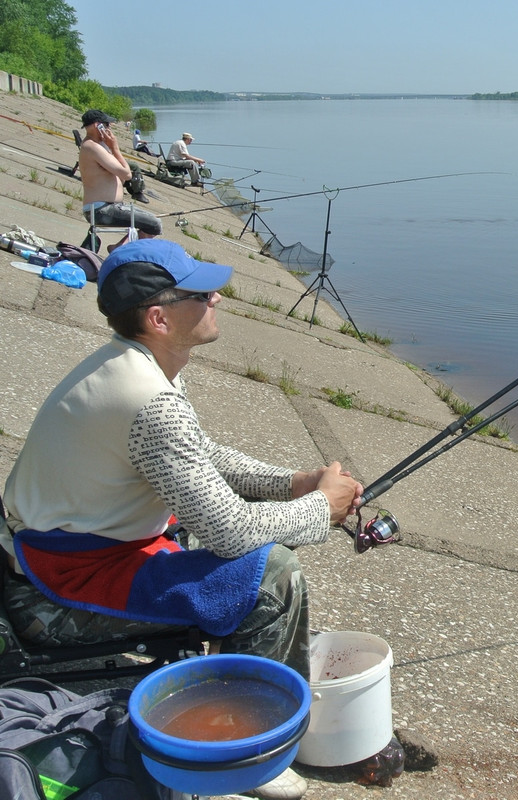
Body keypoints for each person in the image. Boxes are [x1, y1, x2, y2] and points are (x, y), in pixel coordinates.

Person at [1, 239, 362, 800]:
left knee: (238, 543)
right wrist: (323, 508)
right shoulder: (151, 400)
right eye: (200, 292)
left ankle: (239, 707)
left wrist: (294, 482)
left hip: (65, 546)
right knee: (274, 578)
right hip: (54, 590)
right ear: (159, 317)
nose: (216, 296)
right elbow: (232, 533)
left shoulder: (138, 363)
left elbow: (202, 454)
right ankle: (250, 748)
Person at [78, 109, 160, 248]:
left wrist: (110, 147)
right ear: (98, 126)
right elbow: (126, 174)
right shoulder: (91, 147)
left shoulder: (99, 146)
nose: (110, 128)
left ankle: (118, 249)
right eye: (107, 125)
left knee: (153, 222)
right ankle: (119, 251)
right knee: (154, 224)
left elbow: (121, 177)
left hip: (110, 207)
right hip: (100, 210)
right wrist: (115, 148)